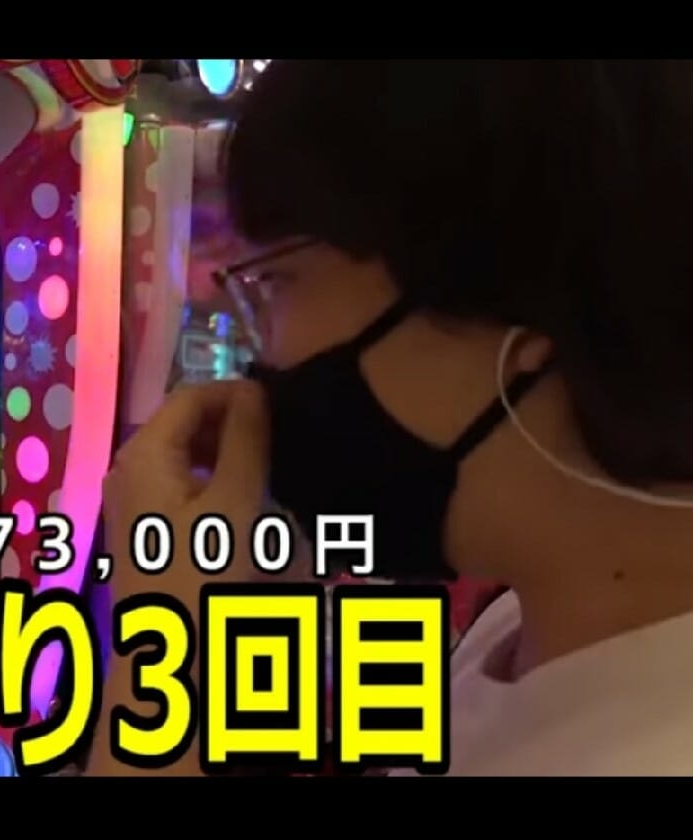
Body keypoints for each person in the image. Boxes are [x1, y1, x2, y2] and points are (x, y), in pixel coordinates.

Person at [89, 60, 693, 777]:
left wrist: (166, 652)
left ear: (512, 304)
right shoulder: (536, 623)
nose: (262, 349)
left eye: (276, 282)